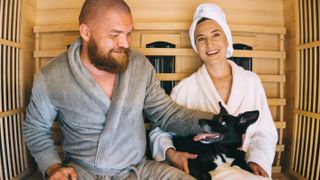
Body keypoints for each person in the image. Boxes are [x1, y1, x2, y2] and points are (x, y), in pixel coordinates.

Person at [23, 0, 214, 179]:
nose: (125, 43)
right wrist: (53, 167)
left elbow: (167, 114)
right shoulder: (52, 76)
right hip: (82, 172)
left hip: (139, 170)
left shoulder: (139, 66)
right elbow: (36, 128)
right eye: (115, 35)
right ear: (86, 32)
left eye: (128, 33)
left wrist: (218, 122)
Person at [149, 3, 278, 179]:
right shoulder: (184, 89)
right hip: (203, 170)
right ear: (196, 46)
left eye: (216, 34)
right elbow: (160, 130)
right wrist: (172, 154)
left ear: (227, 38)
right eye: (201, 38)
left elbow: (265, 131)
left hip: (243, 166)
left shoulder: (251, 81)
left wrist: (257, 161)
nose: (209, 44)